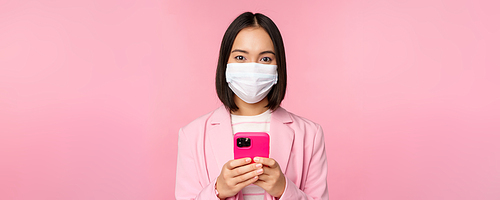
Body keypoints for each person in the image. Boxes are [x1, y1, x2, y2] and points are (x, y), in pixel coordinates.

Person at [175, 12, 328, 200]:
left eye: (265, 59)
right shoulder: (192, 135)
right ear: (225, 64)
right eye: (240, 58)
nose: (253, 68)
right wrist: (218, 191)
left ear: (279, 66)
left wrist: (284, 190)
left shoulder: (310, 135)